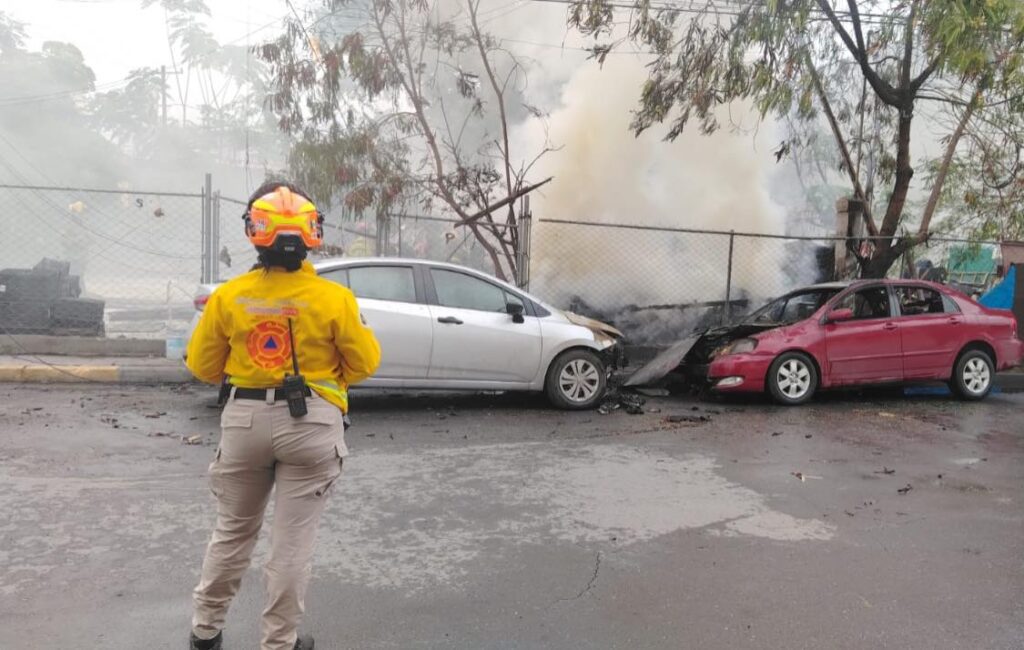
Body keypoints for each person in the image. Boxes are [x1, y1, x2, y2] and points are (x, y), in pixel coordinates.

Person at [185, 182, 381, 650]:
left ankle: (205, 631)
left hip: (244, 422)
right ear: (311, 235)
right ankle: (279, 642)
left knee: (232, 533)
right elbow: (364, 364)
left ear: (256, 234)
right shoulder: (334, 299)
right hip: (311, 427)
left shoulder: (230, 297)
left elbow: (202, 365)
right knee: (291, 543)